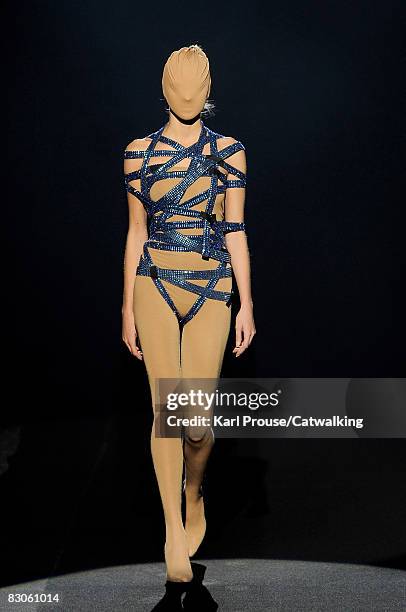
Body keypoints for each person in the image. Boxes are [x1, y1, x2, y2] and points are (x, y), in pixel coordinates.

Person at [121, 44, 255, 591]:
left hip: (211, 284)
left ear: (208, 91)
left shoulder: (231, 152)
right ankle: (172, 529)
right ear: (164, 89)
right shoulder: (136, 154)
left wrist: (248, 302)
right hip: (153, 283)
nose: (186, 96)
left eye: (195, 86)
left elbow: (235, 230)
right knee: (165, 409)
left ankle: (193, 493)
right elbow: (135, 230)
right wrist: (126, 306)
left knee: (197, 423)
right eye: (178, 87)